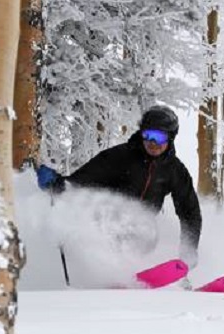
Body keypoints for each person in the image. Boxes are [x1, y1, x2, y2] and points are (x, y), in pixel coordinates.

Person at [36, 105, 202, 268]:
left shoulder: (175, 170)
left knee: (147, 233)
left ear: (171, 137)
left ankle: (137, 275)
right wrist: (56, 184)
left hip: (143, 232)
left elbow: (190, 212)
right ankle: (110, 275)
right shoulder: (119, 157)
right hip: (107, 225)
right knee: (114, 231)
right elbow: (81, 181)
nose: (152, 142)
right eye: (148, 135)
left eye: (159, 137)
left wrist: (189, 249)